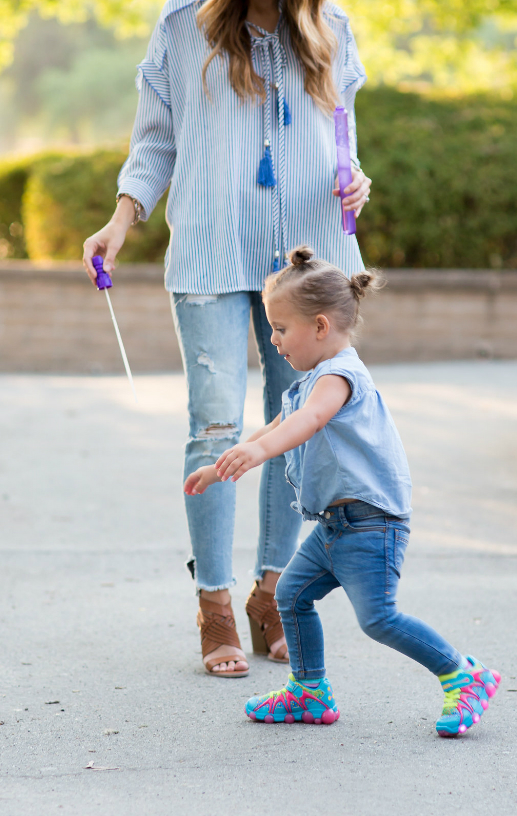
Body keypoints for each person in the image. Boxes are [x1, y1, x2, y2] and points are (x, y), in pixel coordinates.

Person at [83, 0, 372, 678]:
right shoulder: (185, 24)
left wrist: (360, 181)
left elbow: (345, 145)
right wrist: (121, 217)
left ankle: (270, 593)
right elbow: (156, 139)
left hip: (308, 254)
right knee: (213, 424)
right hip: (209, 247)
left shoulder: (332, 29)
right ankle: (213, 600)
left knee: (290, 431)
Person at [185, 247, 501, 735]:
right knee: (290, 595)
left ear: (321, 326)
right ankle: (309, 692)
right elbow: (282, 422)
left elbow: (308, 422)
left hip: (372, 524)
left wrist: (259, 455)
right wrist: (221, 466)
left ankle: (464, 675)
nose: (273, 339)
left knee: (378, 618)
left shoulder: (339, 376)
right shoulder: (312, 379)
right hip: (335, 526)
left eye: (281, 329)